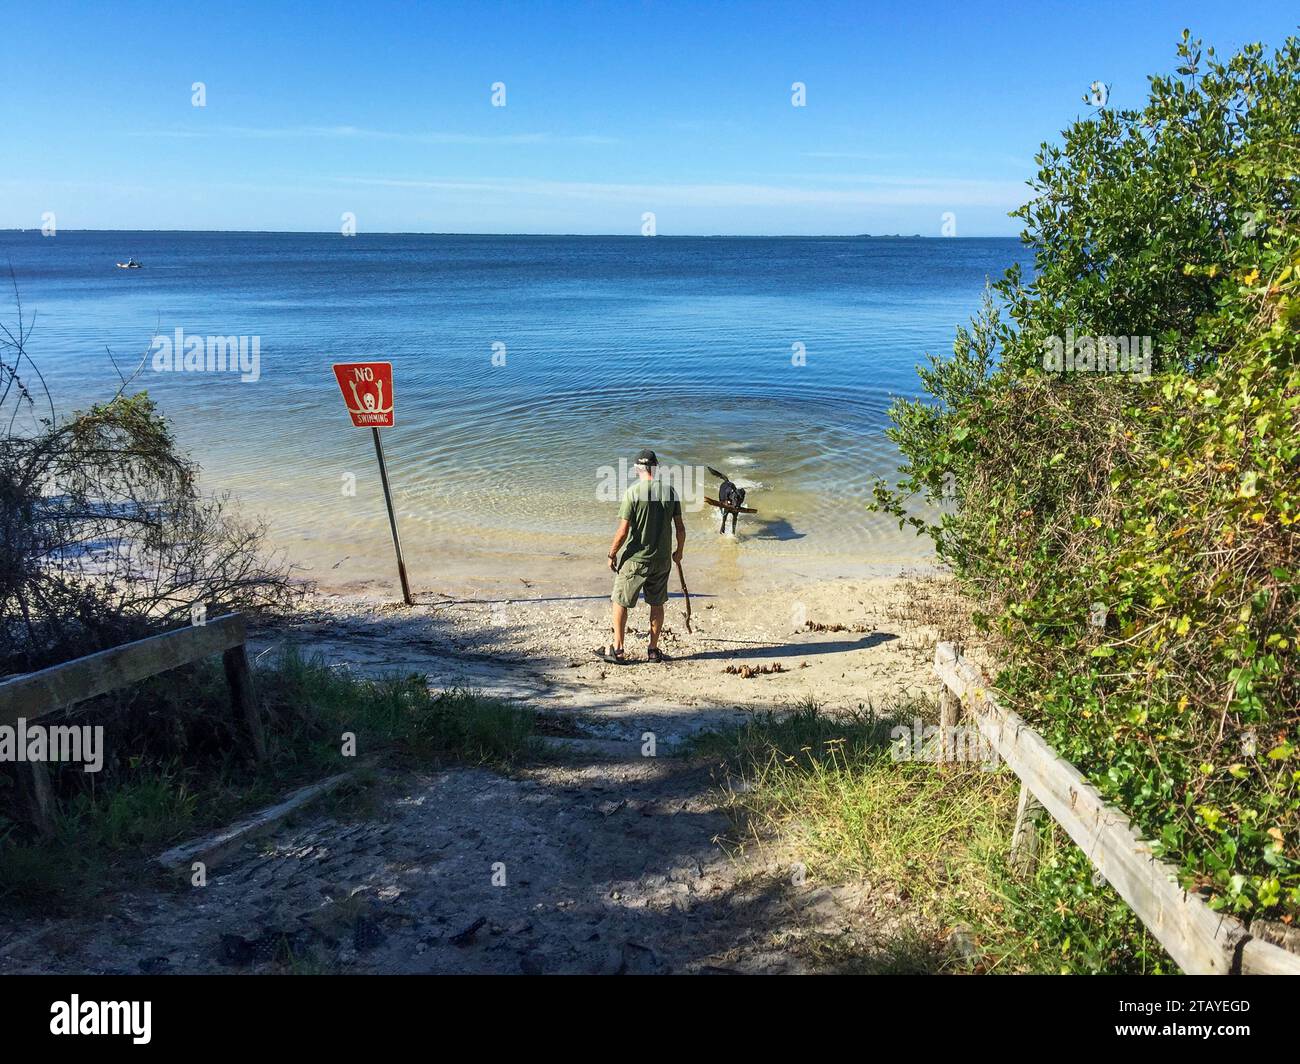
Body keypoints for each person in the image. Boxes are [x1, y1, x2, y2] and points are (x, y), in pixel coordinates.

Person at [604, 449, 685, 664]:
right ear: (656, 467)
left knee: (619, 600)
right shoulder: (670, 492)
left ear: (637, 469)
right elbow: (680, 529)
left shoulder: (632, 493)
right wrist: (679, 552)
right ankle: (652, 649)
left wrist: (612, 554)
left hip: (636, 559)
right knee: (656, 604)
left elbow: (622, 532)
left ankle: (618, 650)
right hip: (662, 559)